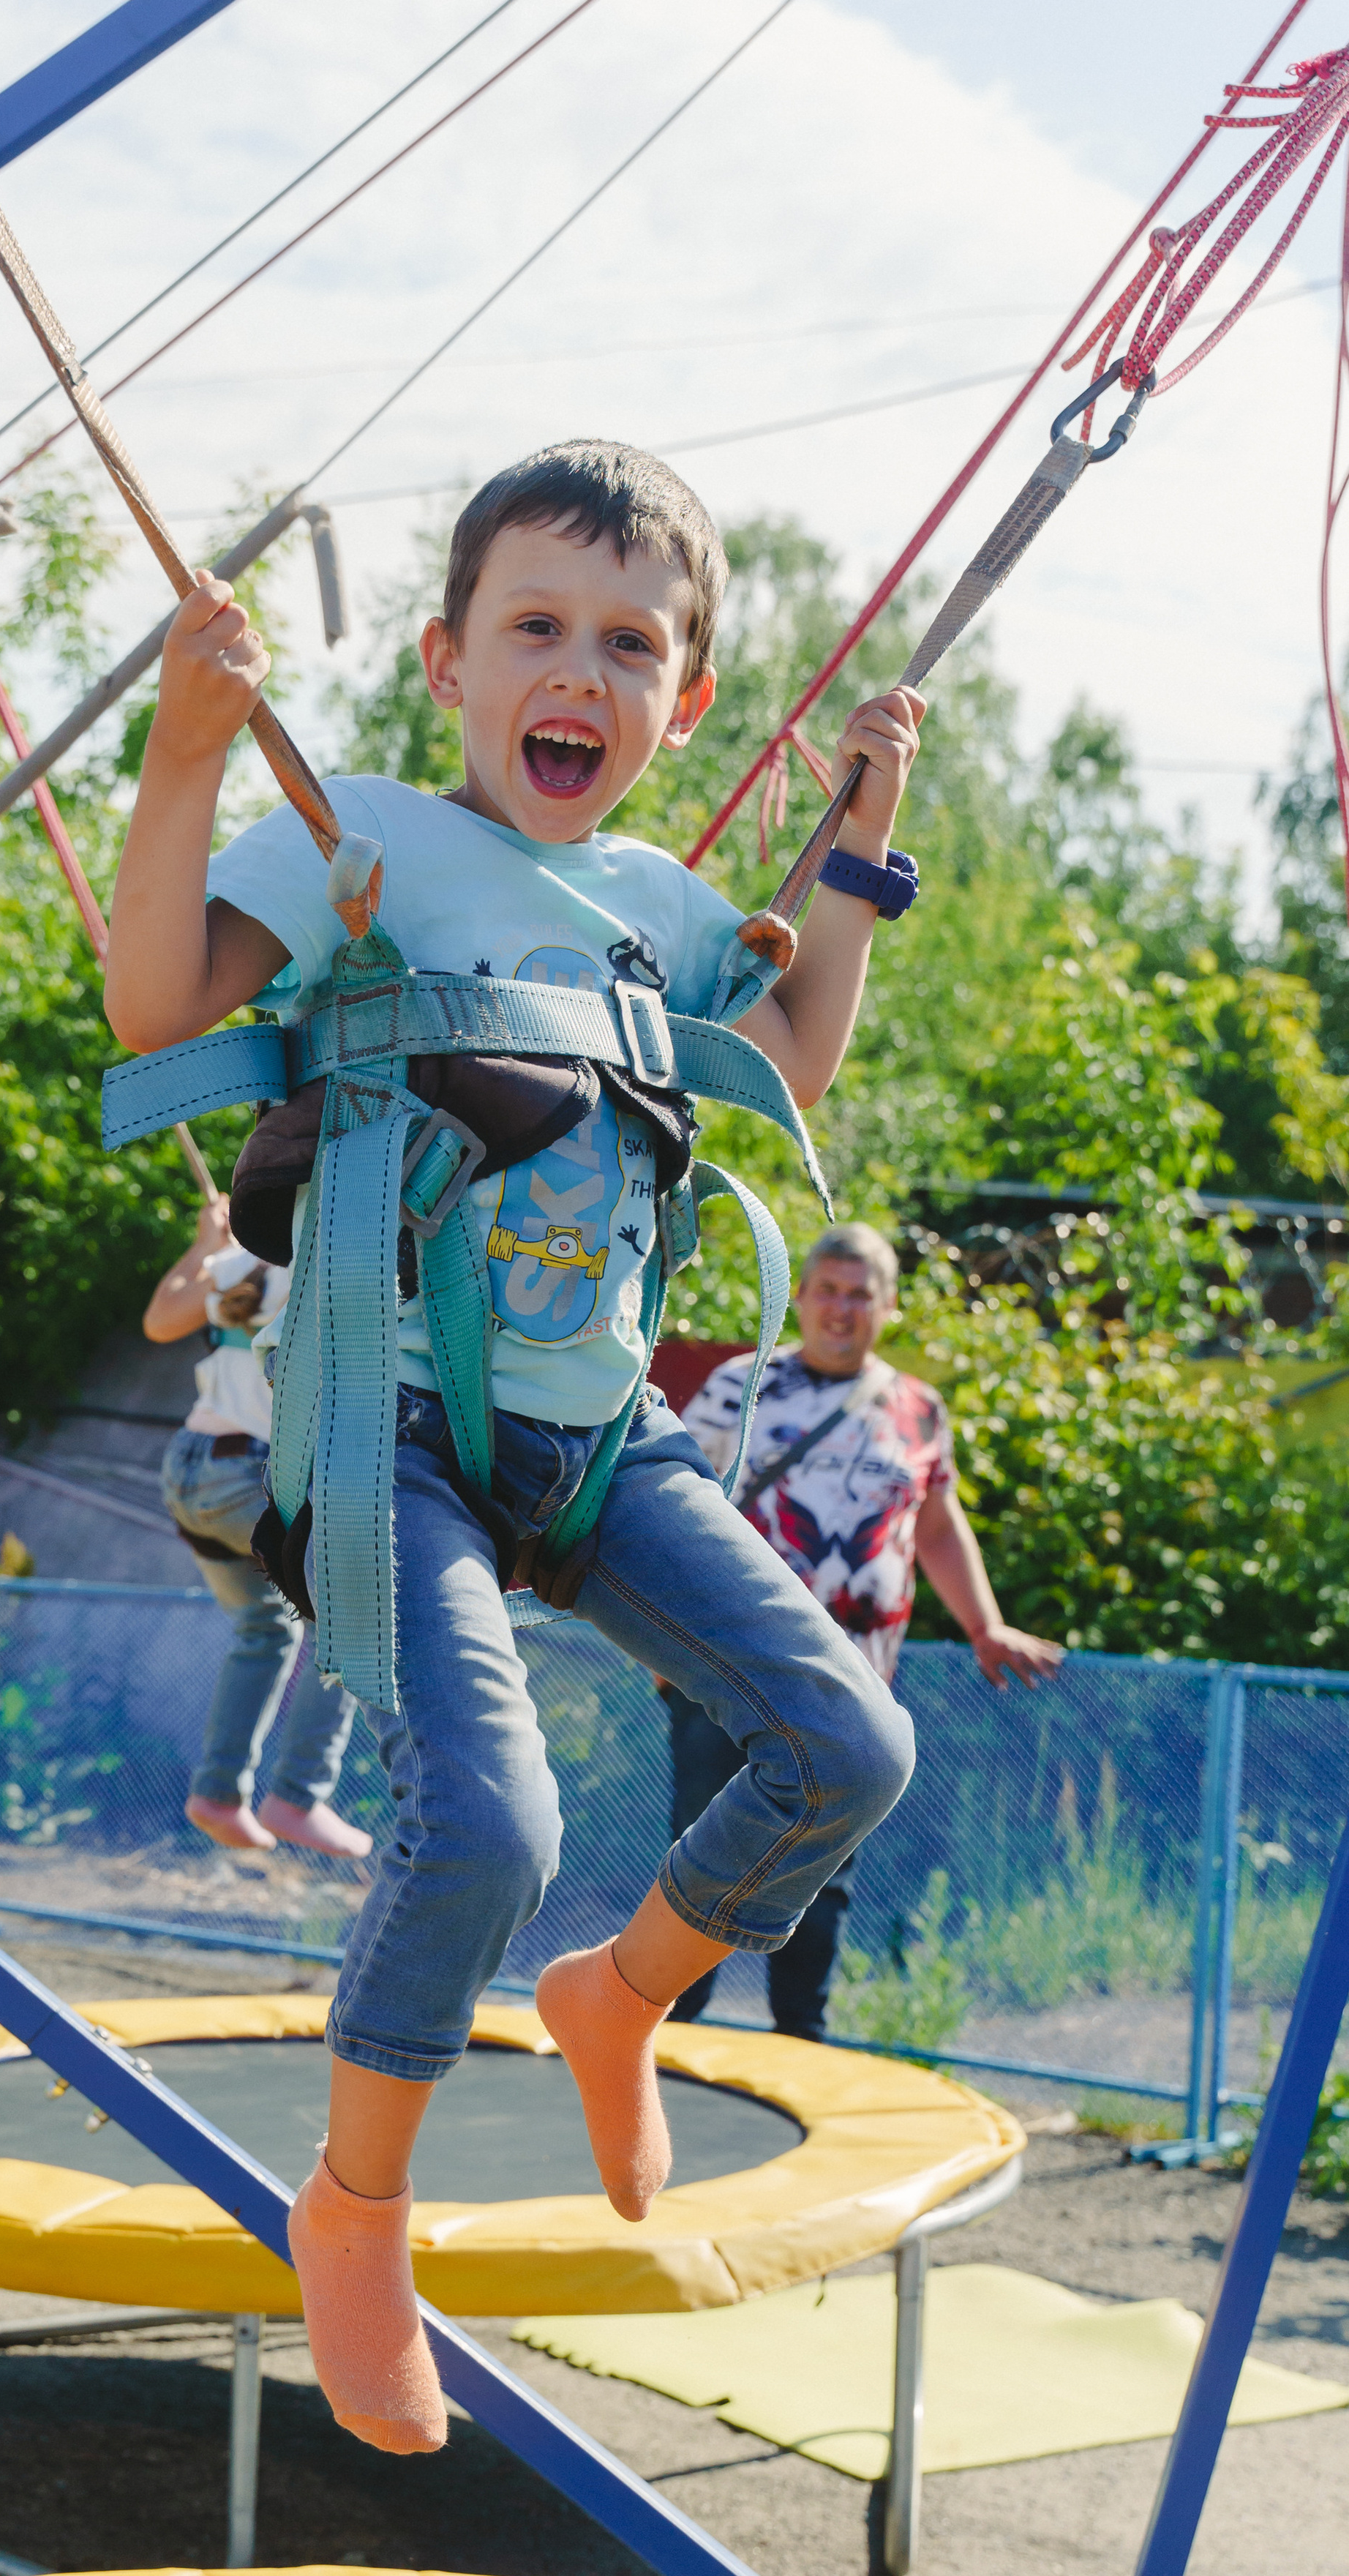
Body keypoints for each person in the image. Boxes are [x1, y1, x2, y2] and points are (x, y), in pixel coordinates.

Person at [108, 438, 921, 2457]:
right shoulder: (357, 839)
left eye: (629, 645)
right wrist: (186, 752)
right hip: (378, 1416)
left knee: (845, 1743)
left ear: (685, 698)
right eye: (536, 627)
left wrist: (857, 852)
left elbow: (789, 1057)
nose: (579, 671)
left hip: (598, 1436)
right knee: (490, 1824)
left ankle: (617, 1994)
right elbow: (154, 1005)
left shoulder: (663, 909)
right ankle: (355, 2210)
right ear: (448, 660)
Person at [671, 1220, 1064, 2034]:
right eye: (828, 1291)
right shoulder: (740, 1385)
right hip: (725, 1672)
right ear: (800, 1299)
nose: (841, 1310)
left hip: (854, 1687)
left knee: (822, 1872)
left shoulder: (917, 1409)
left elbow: (939, 1528)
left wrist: (985, 1626)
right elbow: (666, 1507)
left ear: (888, 1306)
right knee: (704, 1856)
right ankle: (666, 2033)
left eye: (861, 1294)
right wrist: (657, 1635)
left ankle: (802, 2041)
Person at [146, 1196, 372, 1860]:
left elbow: (160, 1321)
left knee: (266, 1626)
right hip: (247, 1474)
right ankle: (298, 1795)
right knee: (350, 1618)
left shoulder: (239, 1261)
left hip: (190, 1472)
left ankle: (218, 1795)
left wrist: (205, 1245)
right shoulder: (331, 1262)